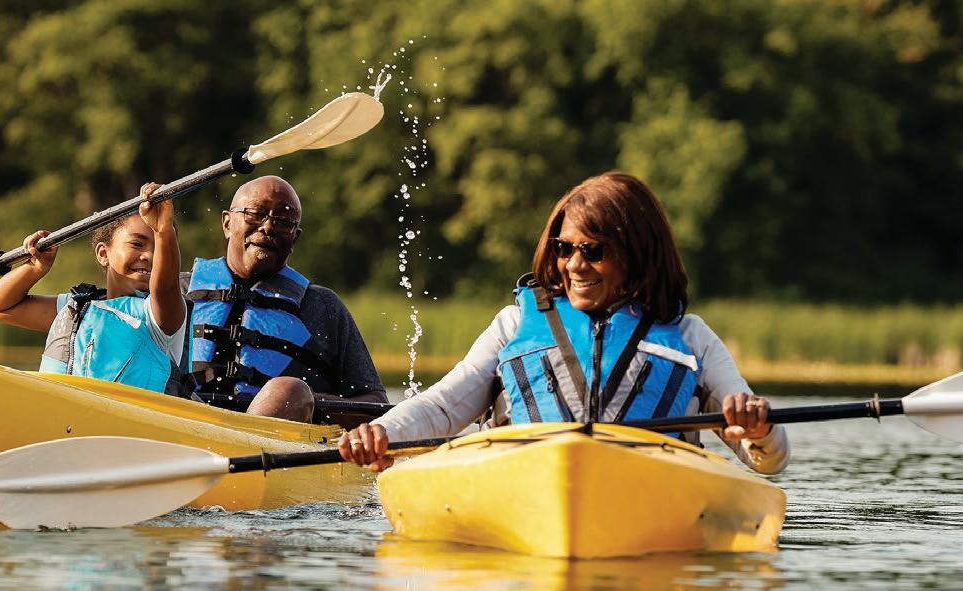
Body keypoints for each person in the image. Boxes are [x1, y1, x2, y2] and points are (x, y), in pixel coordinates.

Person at [338, 171, 789, 474]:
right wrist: (384, 433)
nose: (574, 264)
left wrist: (759, 429)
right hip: (526, 482)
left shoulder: (691, 337)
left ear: (637, 255)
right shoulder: (514, 324)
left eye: (593, 251)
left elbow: (770, 460)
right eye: (564, 248)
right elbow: (442, 408)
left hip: (652, 489)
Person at [184, 175, 387, 422]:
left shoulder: (323, 307)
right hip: (183, 429)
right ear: (227, 223)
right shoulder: (176, 292)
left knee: (286, 392)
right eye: (255, 214)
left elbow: (376, 404)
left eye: (284, 221)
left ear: (294, 239)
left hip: (277, 437)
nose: (268, 227)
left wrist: (306, 402)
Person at [0, 183, 190, 395]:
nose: (149, 256)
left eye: (158, 248)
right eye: (137, 244)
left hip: (120, 418)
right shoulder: (79, 307)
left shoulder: (161, 316)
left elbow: (165, 287)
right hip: (59, 414)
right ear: (103, 254)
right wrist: (35, 267)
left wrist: (164, 231)